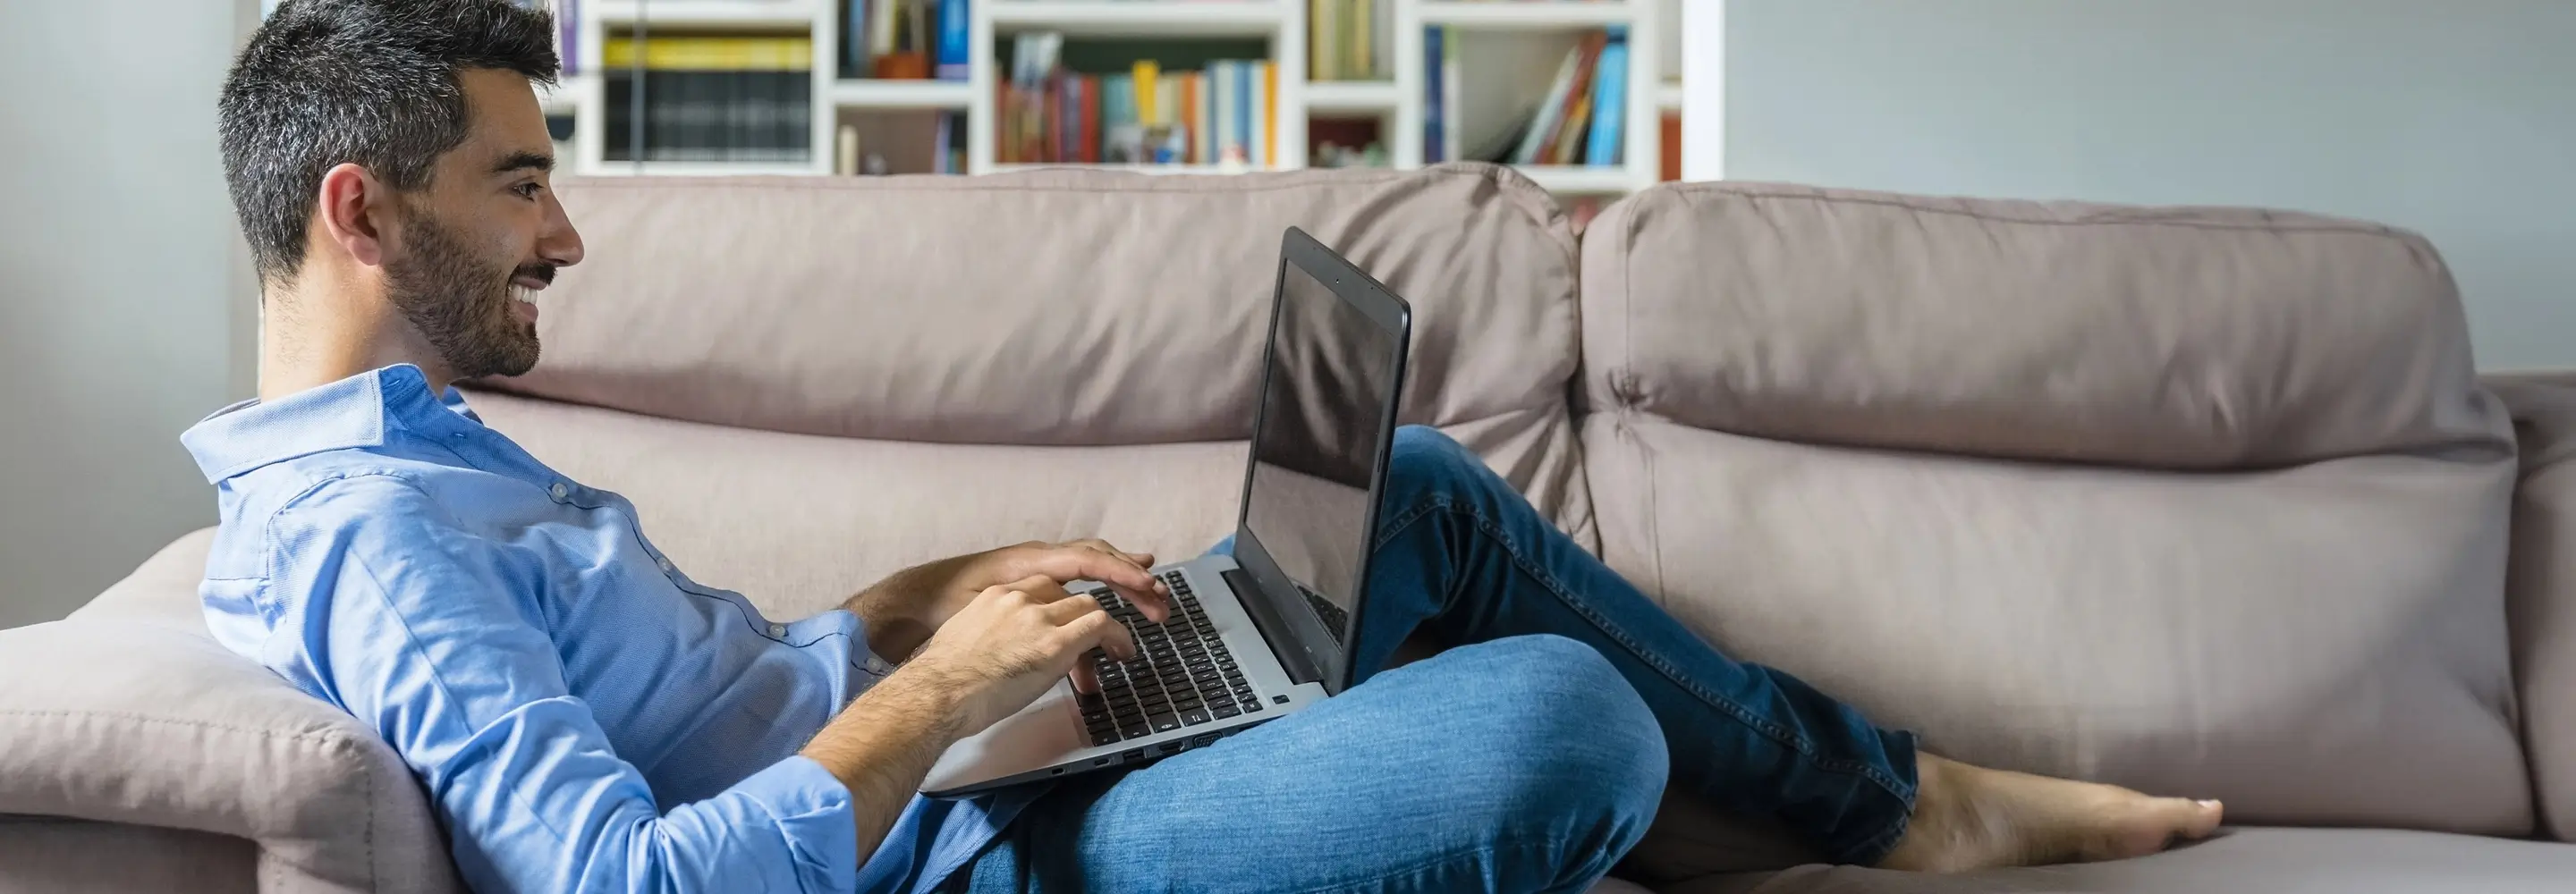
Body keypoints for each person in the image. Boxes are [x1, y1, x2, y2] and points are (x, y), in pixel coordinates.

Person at [191, 2, 2224, 892]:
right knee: (1561, 728)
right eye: (518, 180)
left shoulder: (414, 459)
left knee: (1410, 488)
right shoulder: (379, 538)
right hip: (959, 855)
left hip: (951, 756)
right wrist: (956, 700)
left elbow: (679, 710)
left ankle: (1893, 802)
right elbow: (628, 886)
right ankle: (1823, 810)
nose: (565, 230)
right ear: (364, 210)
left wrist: (901, 617)